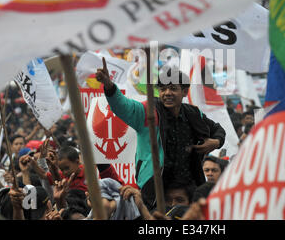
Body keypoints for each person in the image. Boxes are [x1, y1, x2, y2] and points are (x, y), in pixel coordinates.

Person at [96, 58, 226, 210]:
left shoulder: (193, 113)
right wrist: (109, 85)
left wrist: (216, 142)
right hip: (155, 190)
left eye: (172, 88)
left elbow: (217, 129)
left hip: (188, 188)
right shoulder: (148, 111)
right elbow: (122, 106)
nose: (167, 93)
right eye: (163, 89)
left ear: (185, 91)